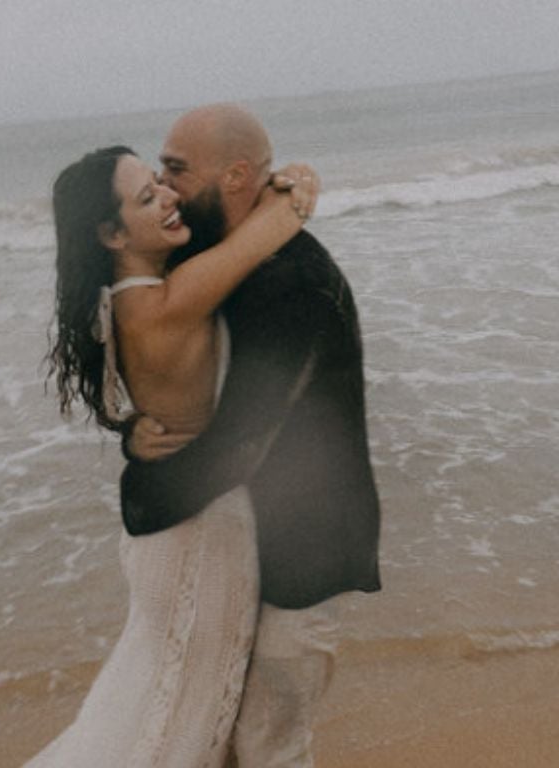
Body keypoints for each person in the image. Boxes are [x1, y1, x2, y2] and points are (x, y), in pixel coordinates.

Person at [33, 139, 316, 768]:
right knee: (181, 727)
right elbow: (275, 224)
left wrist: (129, 427)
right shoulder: (170, 299)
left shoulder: (124, 300)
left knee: (154, 705)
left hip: (170, 528)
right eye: (147, 197)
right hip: (201, 532)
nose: (168, 196)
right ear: (112, 235)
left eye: (161, 182)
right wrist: (296, 178)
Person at [122, 104, 382, 766]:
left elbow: (239, 446)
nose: (164, 184)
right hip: (248, 547)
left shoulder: (291, 284)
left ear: (236, 176)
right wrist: (133, 432)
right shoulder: (224, 253)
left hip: (301, 558)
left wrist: (141, 497)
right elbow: (172, 363)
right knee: (222, 744)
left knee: (270, 749)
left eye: (176, 169)